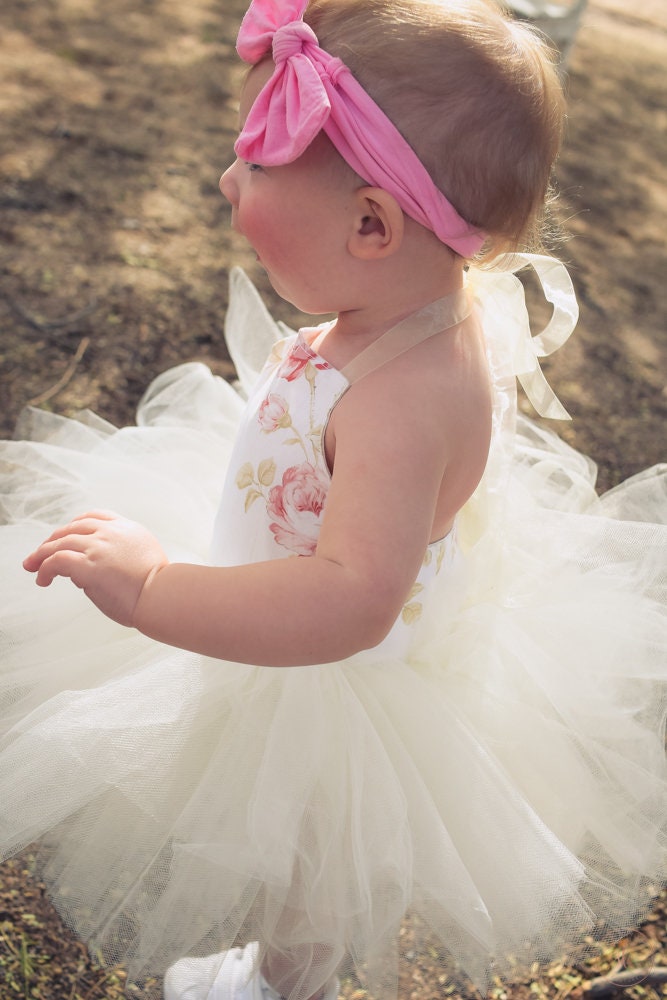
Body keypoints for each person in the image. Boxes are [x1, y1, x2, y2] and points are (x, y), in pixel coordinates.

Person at [1, 0, 665, 999]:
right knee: (283, 845)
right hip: (289, 579)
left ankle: (282, 982)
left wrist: (153, 590)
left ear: (371, 223)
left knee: (307, 858)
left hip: (327, 672)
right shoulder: (416, 302)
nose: (229, 182)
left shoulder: (405, 396)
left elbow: (349, 600)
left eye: (257, 166)